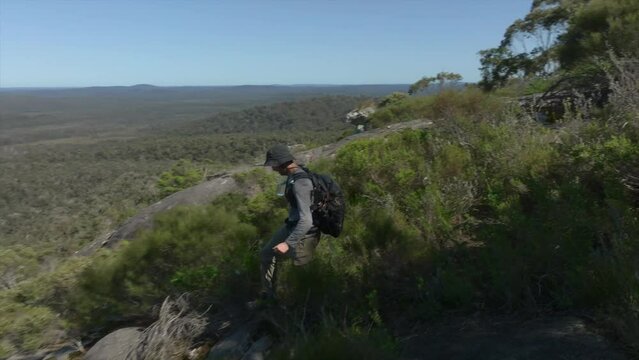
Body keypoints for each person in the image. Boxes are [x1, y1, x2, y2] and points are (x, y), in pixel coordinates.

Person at [249, 144, 320, 308]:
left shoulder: (301, 183)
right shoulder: (293, 175)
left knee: (302, 273)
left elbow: (307, 220)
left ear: (282, 163)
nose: (273, 169)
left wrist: (288, 243)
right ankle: (269, 297)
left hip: (306, 230)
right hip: (292, 225)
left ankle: (306, 310)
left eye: (274, 165)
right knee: (266, 254)